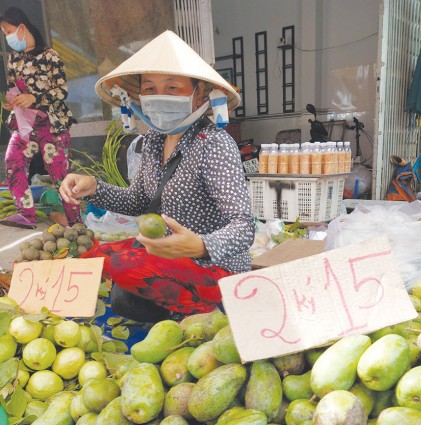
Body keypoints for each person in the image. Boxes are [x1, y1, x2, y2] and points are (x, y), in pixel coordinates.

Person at [59, 31, 255, 321]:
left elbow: (244, 226)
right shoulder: (152, 140)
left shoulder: (214, 144)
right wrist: (93, 188)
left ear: (199, 92)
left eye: (172, 87)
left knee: (126, 267)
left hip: (212, 267)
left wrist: (202, 246)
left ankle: (204, 308)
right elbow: (138, 201)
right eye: (150, 88)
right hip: (165, 252)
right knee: (92, 259)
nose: (158, 96)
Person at [0, 7, 81, 229]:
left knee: (60, 174)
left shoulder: (50, 56)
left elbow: (61, 91)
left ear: (22, 28)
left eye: (7, 31)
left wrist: (33, 97)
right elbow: (13, 88)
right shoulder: (14, 59)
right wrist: (14, 101)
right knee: (12, 161)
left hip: (52, 126)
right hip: (25, 125)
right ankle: (26, 214)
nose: (6, 37)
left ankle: (75, 221)